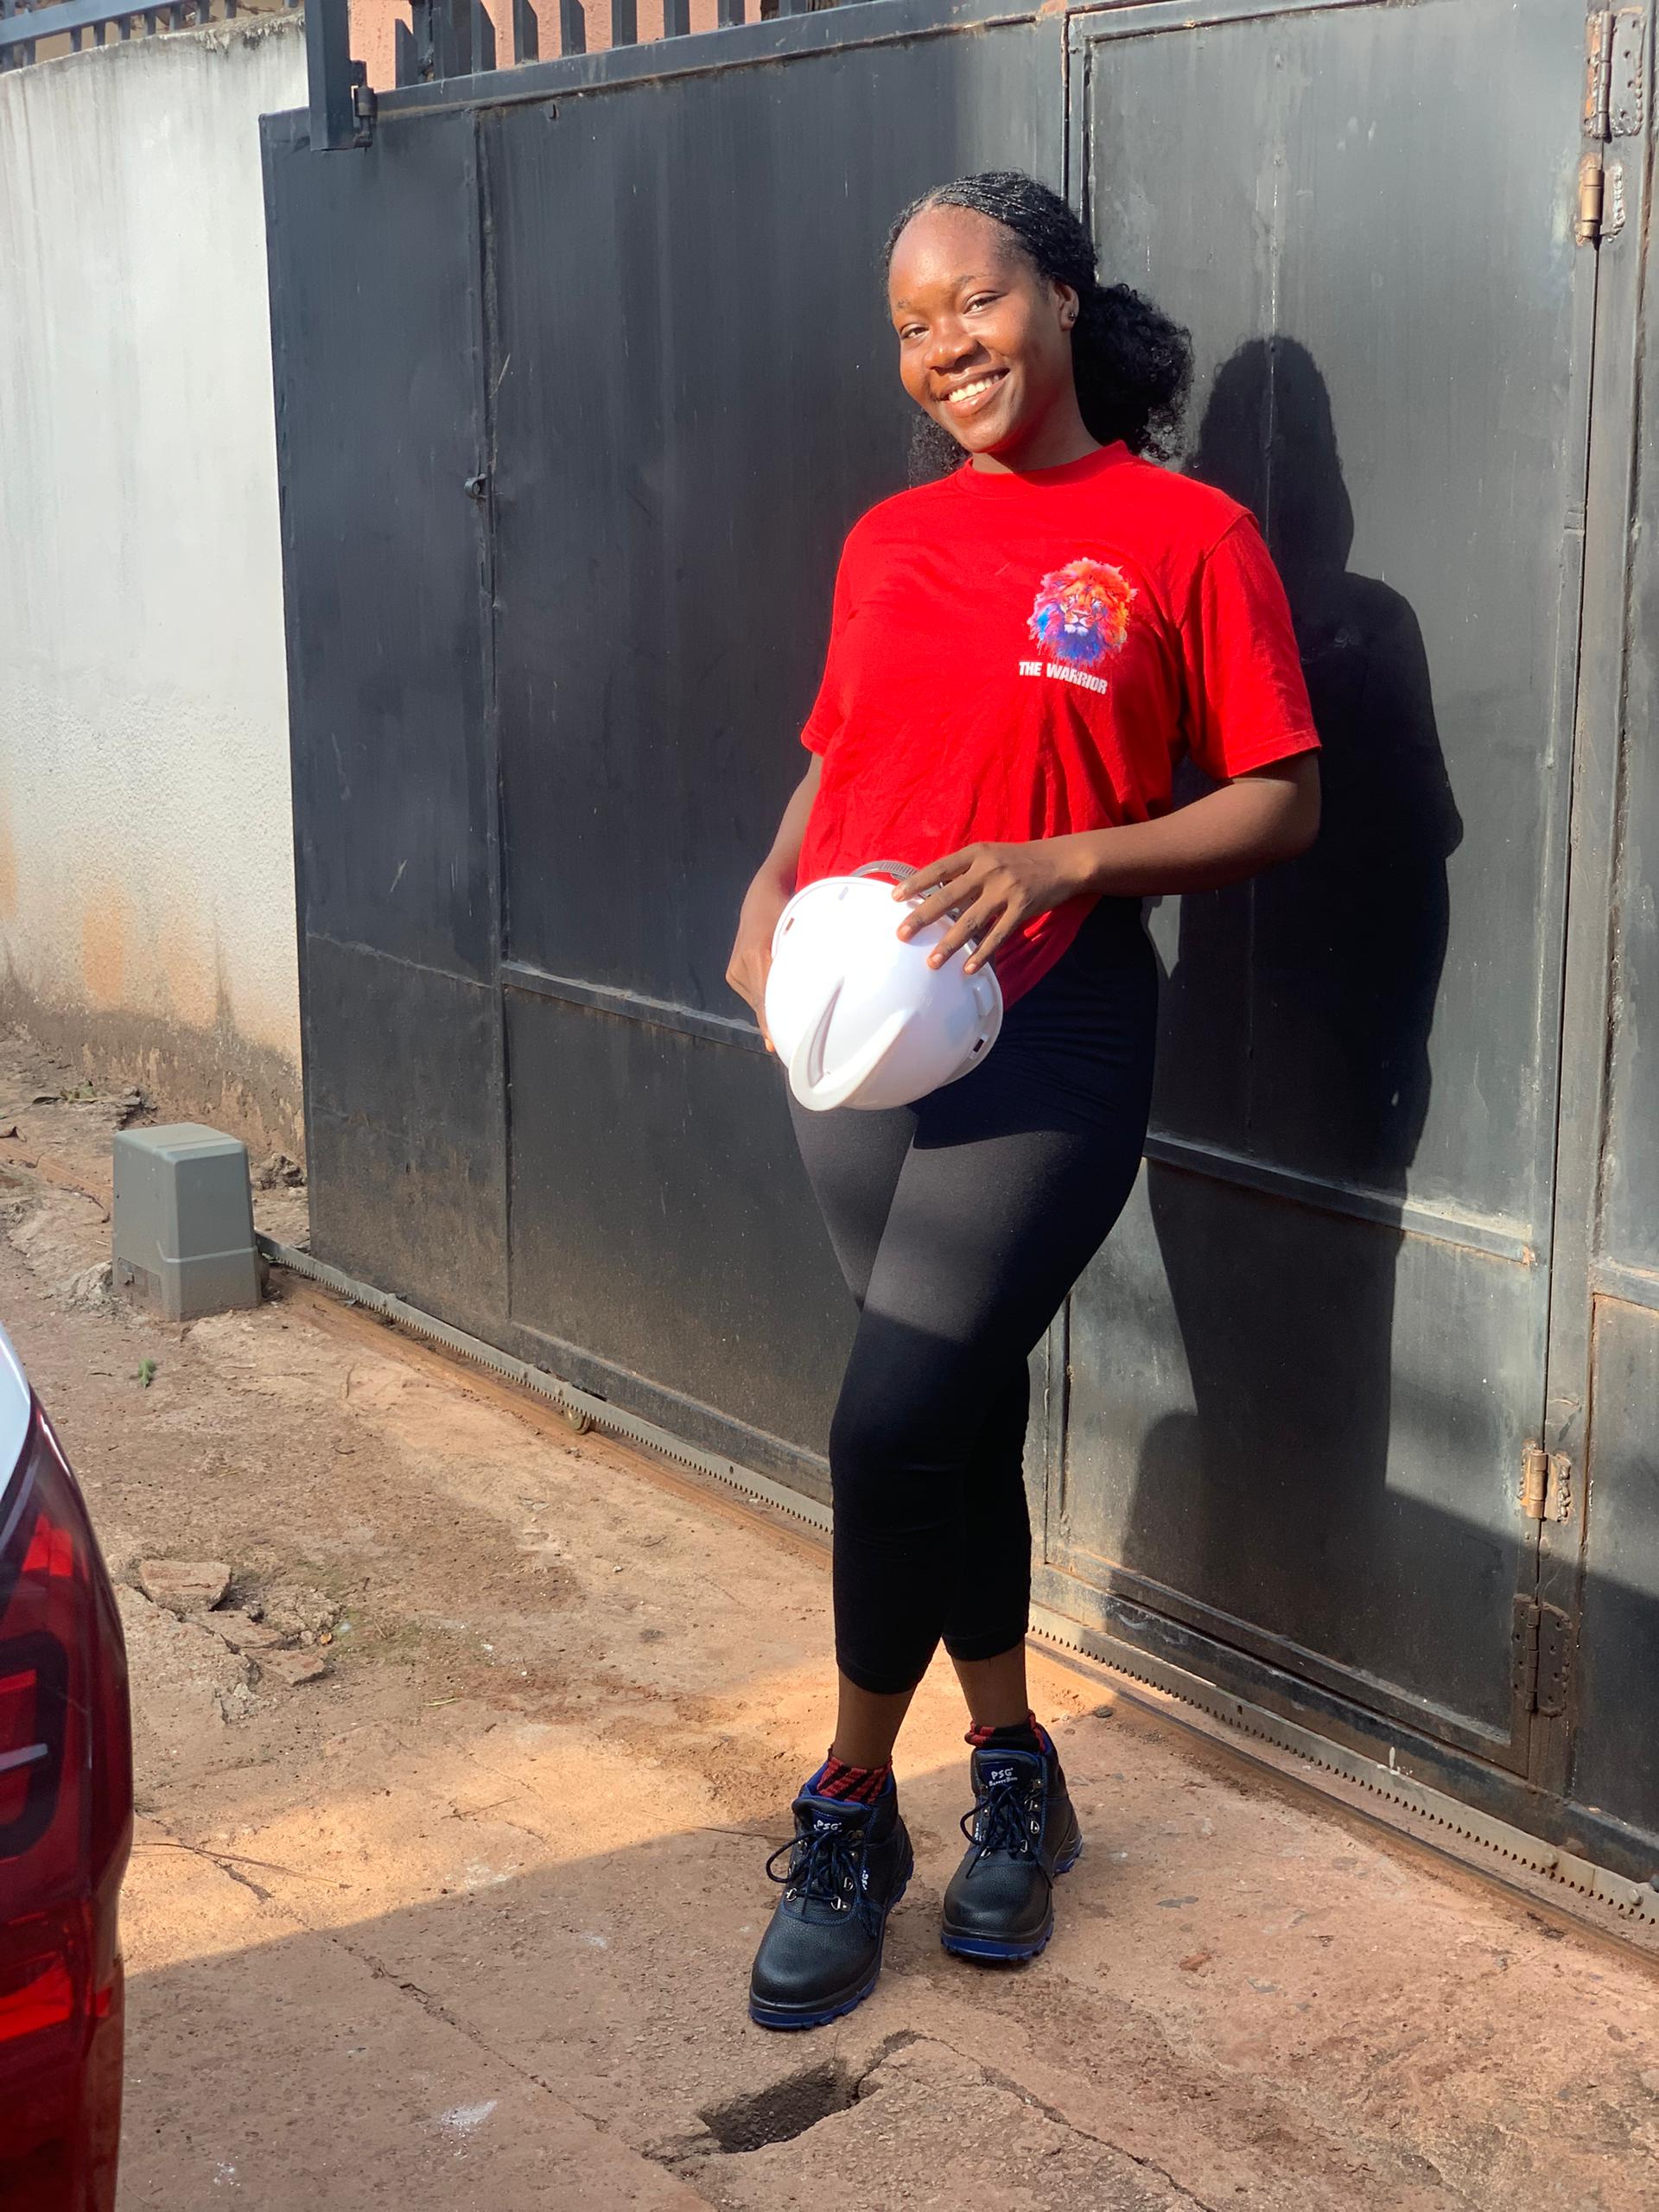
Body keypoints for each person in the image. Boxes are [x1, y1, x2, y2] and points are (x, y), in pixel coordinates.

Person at [724, 171, 1320, 2031]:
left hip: (1051, 1026)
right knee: (953, 1421)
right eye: (911, 327)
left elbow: (1283, 797)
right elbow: (839, 758)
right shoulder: (888, 539)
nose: (944, 349)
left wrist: (1069, 860)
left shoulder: (1187, 535)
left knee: (887, 1420)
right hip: (855, 1036)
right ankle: (1014, 1772)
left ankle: (850, 1805)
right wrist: (764, 898)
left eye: (972, 302)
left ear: (1060, 294)